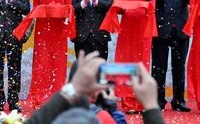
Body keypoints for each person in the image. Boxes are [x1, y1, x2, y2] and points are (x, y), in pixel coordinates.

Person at [26, 51, 166, 124]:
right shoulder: (102, 118)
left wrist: (73, 89)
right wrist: (151, 106)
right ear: (99, 88)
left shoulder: (55, 118)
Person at [100, 0, 157, 113]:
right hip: (127, 30)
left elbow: (152, 7)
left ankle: (141, 101)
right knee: (125, 63)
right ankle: (127, 101)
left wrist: (140, 5)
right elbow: (117, 8)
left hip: (143, 30)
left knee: (141, 64)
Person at [25, 0, 75, 108]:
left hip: (58, 31)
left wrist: (61, 14)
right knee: (42, 63)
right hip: (43, 31)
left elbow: (69, 10)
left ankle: (57, 98)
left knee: (58, 64)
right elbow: (35, 9)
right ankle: (39, 98)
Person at [150, 0, 193, 112]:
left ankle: (178, 101)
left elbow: (191, 1)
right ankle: (158, 101)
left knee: (179, 66)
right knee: (158, 67)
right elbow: (154, 2)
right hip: (161, 29)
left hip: (181, 29)